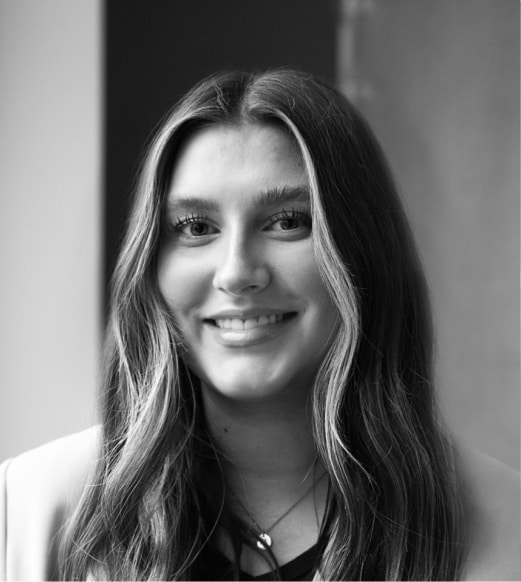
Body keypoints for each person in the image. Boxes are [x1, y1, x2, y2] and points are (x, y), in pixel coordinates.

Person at [0, 69, 519, 581]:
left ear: (364, 252)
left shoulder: (505, 524)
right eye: (196, 228)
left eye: (288, 221)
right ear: (151, 263)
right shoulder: (29, 507)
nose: (237, 273)